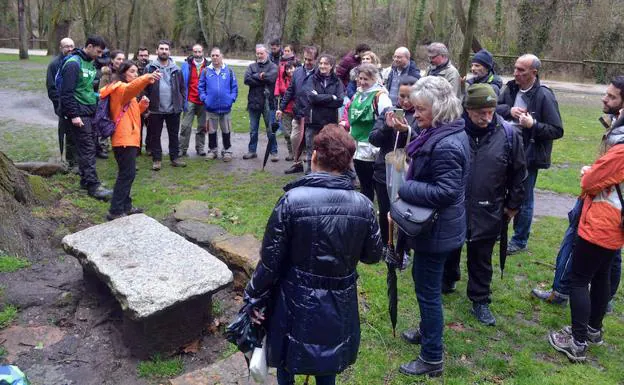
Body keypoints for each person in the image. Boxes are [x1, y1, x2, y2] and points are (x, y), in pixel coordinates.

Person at [244, 123, 383, 385]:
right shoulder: (363, 205)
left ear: (316, 156)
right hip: (337, 301)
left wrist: (253, 294)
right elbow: (373, 255)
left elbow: (270, 261)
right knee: (326, 358)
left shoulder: (292, 201)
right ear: (347, 162)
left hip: (293, 299)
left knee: (287, 358)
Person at [398, 76, 469, 377]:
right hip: (438, 228)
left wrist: (406, 187)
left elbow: (446, 191)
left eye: (421, 110)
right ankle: (427, 333)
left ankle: (432, 358)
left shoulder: (446, 145)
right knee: (424, 284)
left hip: (437, 231)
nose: (415, 115)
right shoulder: (443, 133)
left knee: (428, 293)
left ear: (439, 109)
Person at [532, 77, 624, 310]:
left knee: (599, 254)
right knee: (609, 255)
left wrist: (591, 175)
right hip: (603, 201)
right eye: (606, 93)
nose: (605, 98)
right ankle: (594, 298)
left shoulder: (621, 137)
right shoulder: (616, 125)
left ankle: (572, 296)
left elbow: (602, 177)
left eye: (612, 96)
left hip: (605, 206)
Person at [442, 84, 526, 326]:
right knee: (449, 247)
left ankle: (480, 299)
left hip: (489, 207)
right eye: (481, 112)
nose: (486, 118)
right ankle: (447, 280)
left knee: (481, 257)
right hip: (454, 205)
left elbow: (519, 173)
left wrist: (512, 206)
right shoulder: (452, 131)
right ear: (467, 109)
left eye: (490, 112)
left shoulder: (509, 134)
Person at [548, 108, 624, 363]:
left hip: (601, 224)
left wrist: (588, 173)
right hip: (615, 225)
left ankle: (577, 342)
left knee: (579, 280)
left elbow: (590, 183)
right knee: (601, 275)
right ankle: (593, 329)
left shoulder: (621, 151)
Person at [497, 54, 564, 254]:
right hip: (503, 150)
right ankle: (498, 231)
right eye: (515, 68)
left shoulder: (544, 95)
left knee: (524, 198)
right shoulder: (510, 88)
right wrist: (510, 110)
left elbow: (556, 130)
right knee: (501, 192)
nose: (516, 73)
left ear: (534, 73)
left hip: (528, 156)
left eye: (521, 70)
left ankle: (519, 240)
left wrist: (533, 124)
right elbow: (495, 108)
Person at [99, 61, 162, 221]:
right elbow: (131, 88)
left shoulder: (125, 92)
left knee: (128, 174)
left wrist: (141, 106)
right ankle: (115, 210)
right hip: (124, 139)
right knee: (127, 175)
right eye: (132, 72)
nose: (135, 74)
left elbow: (129, 114)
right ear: (123, 73)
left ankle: (126, 206)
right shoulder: (121, 88)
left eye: (137, 72)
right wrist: (147, 77)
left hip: (128, 138)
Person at [59, 35, 113, 201]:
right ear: (89, 46)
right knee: (88, 149)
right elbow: (66, 93)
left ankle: (85, 180)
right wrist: (74, 115)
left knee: (89, 148)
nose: (99, 55)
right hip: (79, 115)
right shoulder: (73, 64)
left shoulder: (90, 63)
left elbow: (86, 89)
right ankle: (93, 186)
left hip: (89, 112)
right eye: (97, 51)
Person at [369, 75, 418, 245]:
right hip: (384, 171)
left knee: (405, 211)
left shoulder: (420, 115)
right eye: (401, 96)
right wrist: (386, 127)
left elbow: (421, 143)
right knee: (384, 210)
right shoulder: (387, 112)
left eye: (409, 96)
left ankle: (403, 247)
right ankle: (385, 243)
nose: (405, 101)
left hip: (408, 172)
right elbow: (373, 139)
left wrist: (406, 130)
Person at [341, 64, 392, 202]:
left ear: (375, 79)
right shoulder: (358, 94)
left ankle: (380, 213)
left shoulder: (381, 97)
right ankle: (366, 210)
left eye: (366, 79)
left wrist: (377, 146)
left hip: (372, 149)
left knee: (376, 186)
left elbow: (386, 122)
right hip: (357, 148)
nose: (362, 82)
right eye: (360, 78)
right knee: (364, 185)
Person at [144, 40, 187, 171]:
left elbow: (182, 88)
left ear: (169, 51)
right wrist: (146, 105)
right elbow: (144, 88)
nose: (164, 51)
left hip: (173, 109)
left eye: (166, 49)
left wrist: (181, 102)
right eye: (161, 48)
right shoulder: (149, 68)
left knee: (173, 135)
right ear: (157, 51)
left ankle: (175, 158)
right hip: (155, 109)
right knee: (155, 135)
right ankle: (157, 159)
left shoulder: (176, 69)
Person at [278, 45, 318, 174]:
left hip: (313, 114)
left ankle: (312, 168)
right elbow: (290, 90)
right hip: (298, 112)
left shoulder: (319, 74)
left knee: (311, 141)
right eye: (305, 59)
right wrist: (281, 107)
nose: (307, 62)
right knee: (295, 139)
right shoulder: (298, 72)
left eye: (310, 60)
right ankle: (297, 163)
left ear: (315, 60)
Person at [301, 54, 344, 173]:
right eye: (320, 63)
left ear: (331, 66)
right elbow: (311, 98)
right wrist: (331, 97)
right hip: (313, 121)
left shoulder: (337, 81)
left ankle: (326, 173)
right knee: (311, 149)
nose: (322, 66)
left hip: (330, 122)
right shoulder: (311, 79)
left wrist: (319, 98)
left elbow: (340, 101)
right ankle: (309, 174)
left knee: (328, 149)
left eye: (325, 64)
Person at [198, 47, 238, 162]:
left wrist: (231, 99)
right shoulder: (206, 71)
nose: (215, 58)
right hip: (211, 108)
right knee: (211, 131)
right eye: (213, 56)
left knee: (226, 130)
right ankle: (212, 151)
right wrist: (205, 99)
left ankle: (227, 151)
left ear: (221, 56)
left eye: (217, 55)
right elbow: (201, 87)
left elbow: (234, 87)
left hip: (226, 108)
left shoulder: (229, 71)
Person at [243, 44, 279, 160]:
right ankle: (252, 151)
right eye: (257, 53)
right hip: (254, 101)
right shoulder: (251, 66)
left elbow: (272, 78)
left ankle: (274, 152)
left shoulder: (273, 66)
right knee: (253, 130)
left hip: (269, 102)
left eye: (261, 53)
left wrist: (255, 77)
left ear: (266, 53)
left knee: (270, 130)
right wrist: (261, 76)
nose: (259, 55)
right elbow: (246, 79)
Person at [46, 37, 76, 168]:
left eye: (71, 46)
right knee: (64, 132)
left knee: (75, 134)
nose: (70, 49)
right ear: (60, 48)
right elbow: (51, 88)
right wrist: (60, 105)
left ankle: (74, 159)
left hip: (76, 104)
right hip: (63, 106)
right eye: (66, 46)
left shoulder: (76, 62)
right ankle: (66, 159)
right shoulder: (54, 65)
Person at [179, 44, 210, 157]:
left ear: (203, 52)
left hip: (203, 101)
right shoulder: (186, 65)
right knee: (185, 126)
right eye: (195, 52)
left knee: (202, 127)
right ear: (192, 52)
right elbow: (181, 82)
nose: (197, 54)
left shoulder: (209, 66)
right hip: (190, 99)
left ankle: (200, 148)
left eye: (199, 52)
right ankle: (182, 148)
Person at [274, 61, 297, 161]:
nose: (289, 71)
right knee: (287, 133)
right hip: (286, 110)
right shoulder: (283, 79)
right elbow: (280, 89)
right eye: (287, 69)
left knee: (297, 134)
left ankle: (298, 152)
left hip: (297, 110)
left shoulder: (299, 79)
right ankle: (291, 153)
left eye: (291, 68)